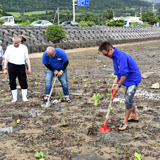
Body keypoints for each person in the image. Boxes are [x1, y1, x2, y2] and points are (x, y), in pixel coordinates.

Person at [99, 41, 141, 131]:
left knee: (128, 99)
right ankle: (135, 116)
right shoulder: (114, 57)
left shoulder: (121, 56)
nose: (106, 56)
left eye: (106, 54)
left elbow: (124, 74)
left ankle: (125, 121)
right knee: (128, 98)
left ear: (110, 50)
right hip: (127, 80)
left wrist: (118, 85)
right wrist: (115, 82)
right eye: (104, 55)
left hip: (133, 79)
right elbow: (118, 72)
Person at [3, 35, 31, 103]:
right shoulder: (9, 47)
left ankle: (24, 97)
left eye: (17, 43)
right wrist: (5, 68)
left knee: (23, 81)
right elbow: (6, 58)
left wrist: (29, 68)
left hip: (21, 65)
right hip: (11, 65)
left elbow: (27, 58)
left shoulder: (24, 47)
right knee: (12, 81)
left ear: (20, 41)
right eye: (14, 43)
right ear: (12, 42)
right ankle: (14, 98)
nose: (16, 44)